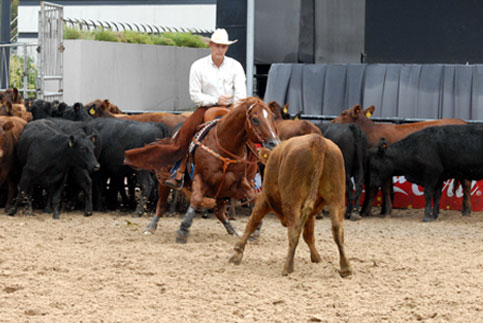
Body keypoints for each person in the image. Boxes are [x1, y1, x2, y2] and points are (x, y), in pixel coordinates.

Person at [164, 28, 247, 189]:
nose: (220, 49)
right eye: (217, 46)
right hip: (205, 108)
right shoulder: (198, 66)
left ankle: (252, 175)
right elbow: (195, 95)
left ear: (227, 48)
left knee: (250, 137)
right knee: (186, 132)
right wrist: (216, 99)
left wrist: (234, 108)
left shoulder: (236, 66)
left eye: (223, 46)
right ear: (210, 45)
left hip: (231, 110)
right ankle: (178, 172)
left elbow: (240, 94)